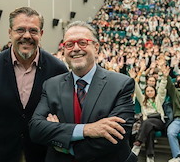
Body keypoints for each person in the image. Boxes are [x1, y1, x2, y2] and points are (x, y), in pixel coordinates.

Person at [0, 6, 68, 162]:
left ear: (41, 34)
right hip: (1, 154)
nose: (27, 36)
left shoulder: (57, 69)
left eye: (33, 31)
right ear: (10, 33)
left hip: (43, 155)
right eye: (20, 30)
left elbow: (65, 114)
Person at [29, 21, 137, 162]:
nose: (75, 48)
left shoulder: (121, 84)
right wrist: (87, 130)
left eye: (82, 42)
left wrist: (65, 144)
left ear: (96, 47)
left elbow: (116, 136)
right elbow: (36, 129)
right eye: (69, 44)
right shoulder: (51, 86)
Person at [131, 64, 169, 162]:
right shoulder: (143, 99)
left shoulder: (158, 99)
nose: (149, 92)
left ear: (155, 91)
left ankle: (138, 143)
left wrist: (164, 77)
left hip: (158, 121)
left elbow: (162, 87)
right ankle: (150, 156)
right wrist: (133, 79)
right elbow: (137, 90)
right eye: (147, 91)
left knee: (147, 122)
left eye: (151, 90)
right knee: (150, 132)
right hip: (148, 123)